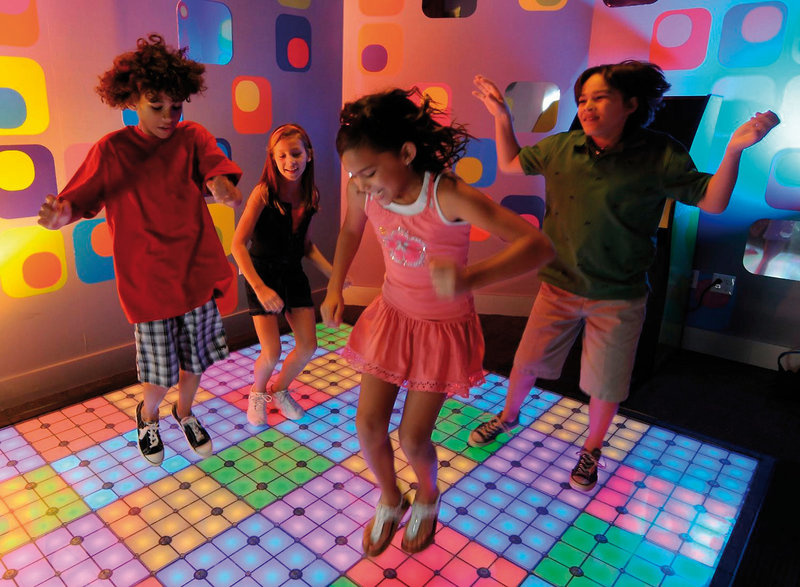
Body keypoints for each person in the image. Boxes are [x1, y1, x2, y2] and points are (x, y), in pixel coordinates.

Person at [469, 61, 780, 492]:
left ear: (631, 104)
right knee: (526, 363)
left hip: (620, 295)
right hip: (559, 284)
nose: (587, 107)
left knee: (607, 382)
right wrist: (502, 116)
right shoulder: (562, 148)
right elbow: (510, 163)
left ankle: (592, 449)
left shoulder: (661, 153)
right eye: (582, 99)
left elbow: (711, 201)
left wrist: (734, 150)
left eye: (600, 98)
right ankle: (508, 417)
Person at [321, 88, 554, 556]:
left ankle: (428, 494)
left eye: (369, 172)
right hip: (392, 316)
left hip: (441, 330)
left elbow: (538, 247)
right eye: (354, 175)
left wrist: (470, 278)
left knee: (412, 437)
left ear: (406, 153)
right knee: (367, 426)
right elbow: (350, 229)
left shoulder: (447, 194)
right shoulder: (360, 189)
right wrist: (334, 286)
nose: (362, 184)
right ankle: (391, 497)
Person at [37, 34, 243, 466]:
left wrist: (221, 185)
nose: (169, 115)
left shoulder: (192, 136)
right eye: (156, 105)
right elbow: (77, 200)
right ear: (132, 99)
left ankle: (184, 412)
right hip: (147, 283)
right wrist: (61, 215)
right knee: (158, 372)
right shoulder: (112, 150)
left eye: (176, 106)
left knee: (196, 362)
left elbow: (214, 168)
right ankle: (148, 416)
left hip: (195, 272)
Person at [231, 124, 336, 425]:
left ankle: (280, 390)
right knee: (271, 350)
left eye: (296, 154)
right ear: (273, 159)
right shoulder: (263, 193)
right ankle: (258, 392)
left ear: (309, 155)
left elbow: (306, 245)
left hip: (292, 273)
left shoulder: (310, 194)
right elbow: (237, 244)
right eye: (282, 156)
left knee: (308, 345)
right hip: (261, 274)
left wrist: (335, 275)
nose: (290, 161)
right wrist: (260, 288)